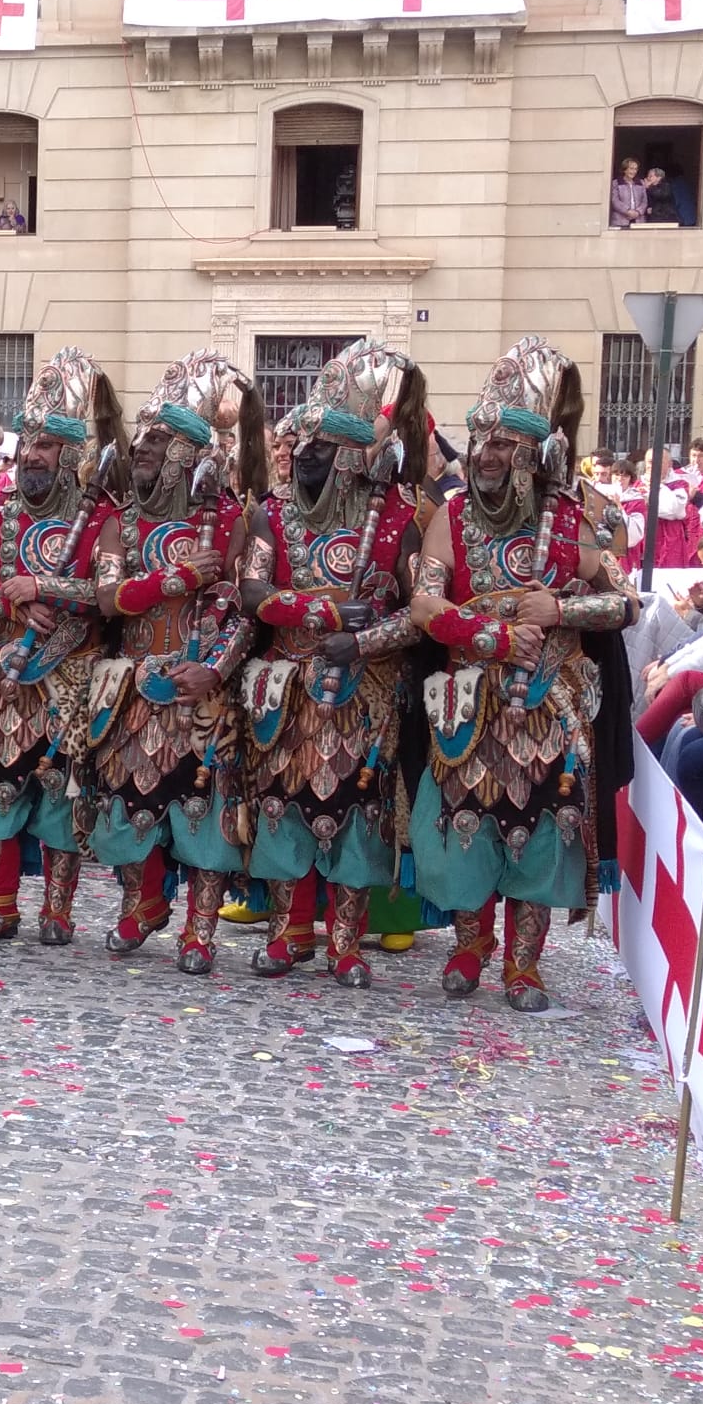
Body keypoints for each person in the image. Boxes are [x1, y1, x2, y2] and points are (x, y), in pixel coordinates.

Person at [408, 338, 636, 1013]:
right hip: (468, 705)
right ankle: (469, 945)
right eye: (482, 439)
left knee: (540, 832)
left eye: (504, 444)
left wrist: (560, 606)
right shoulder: (451, 516)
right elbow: (424, 602)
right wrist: (492, 633)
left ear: (535, 453)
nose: (486, 454)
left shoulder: (572, 521)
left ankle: (525, 965)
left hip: (548, 707)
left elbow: (626, 602)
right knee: (465, 825)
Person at [238, 343, 428, 987]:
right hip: (288, 686)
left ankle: (347, 942)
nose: (303, 458)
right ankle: (289, 932)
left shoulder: (400, 518)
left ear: (351, 456)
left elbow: (420, 612)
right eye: (301, 446)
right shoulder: (272, 512)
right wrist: (322, 616)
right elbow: (254, 595)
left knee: (360, 812)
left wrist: (365, 643)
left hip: (366, 692)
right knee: (281, 804)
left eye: (320, 448)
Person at [91, 352, 264, 973]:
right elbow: (109, 599)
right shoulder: (121, 524)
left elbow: (246, 608)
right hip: (136, 682)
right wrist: (172, 579)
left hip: (203, 686)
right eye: (142, 436)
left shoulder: (230, 523)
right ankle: (143, 902)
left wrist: (215, 669)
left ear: (188, 456)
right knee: (126, 804)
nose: (142, 447)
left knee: (205, 812)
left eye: (158, 440)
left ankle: (201, 929)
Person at [0, 350, 123, 944]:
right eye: (30, 442)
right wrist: (12, 599)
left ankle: (58, 909)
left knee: (62, 791)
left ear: (72, 454)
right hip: (6, 668)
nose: (31, 454)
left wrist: (46, 585)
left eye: (48, 445)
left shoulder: (103, 517)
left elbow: (110, 594)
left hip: (71, 673)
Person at [610, 158, 648, 228]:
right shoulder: (616, 183)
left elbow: (644, 201)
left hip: (638, 221)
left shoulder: (640, 183)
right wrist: (627, 211)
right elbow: (615, 201)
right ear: (625, 169)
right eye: (631, 168)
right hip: (620, 221)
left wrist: (638, 212)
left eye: (636, 169)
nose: (634, 171)